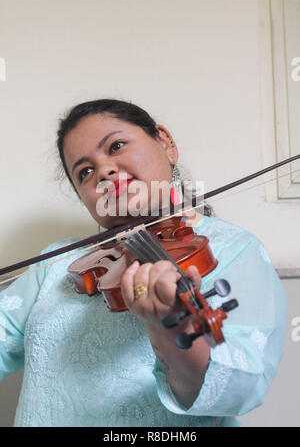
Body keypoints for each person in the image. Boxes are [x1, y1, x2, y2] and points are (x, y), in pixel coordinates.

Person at [0, 99, 286, 427]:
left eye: (117, 145)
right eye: (85, 172)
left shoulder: (230, 249)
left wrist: (172, 326)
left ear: (165, 143)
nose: (104, 171)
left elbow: (240, 387)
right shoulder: (61, 264)